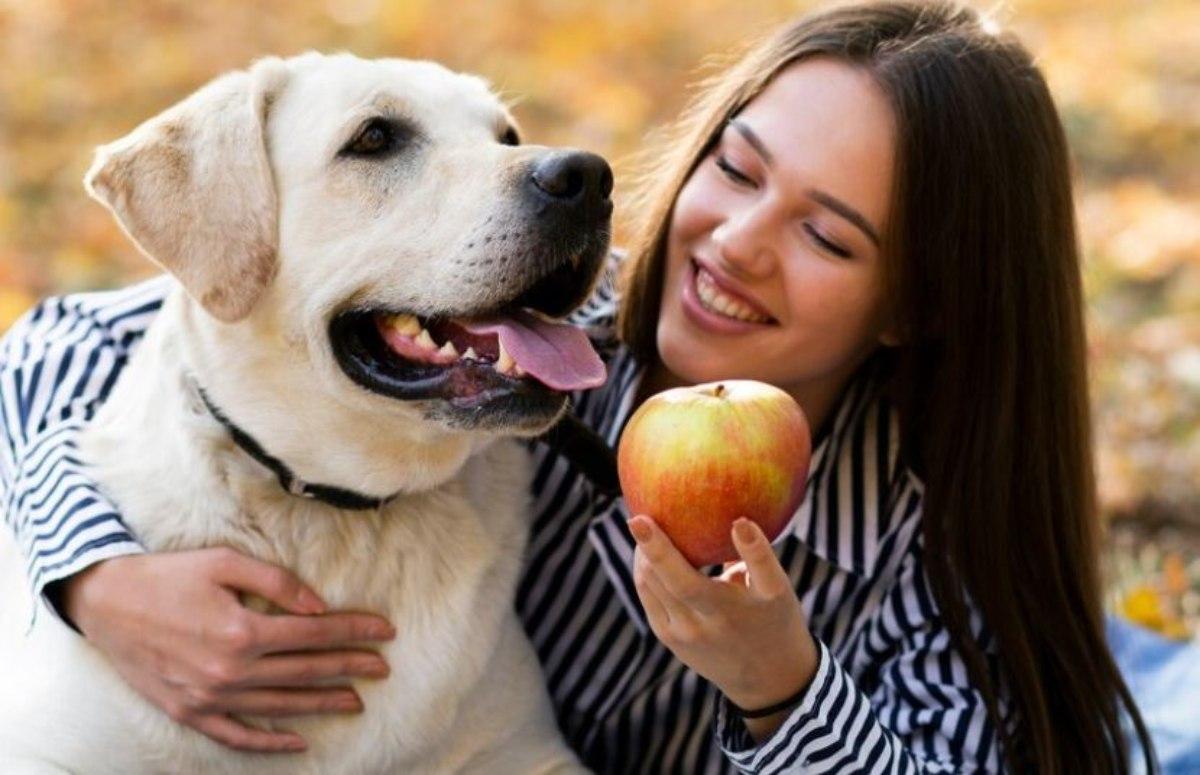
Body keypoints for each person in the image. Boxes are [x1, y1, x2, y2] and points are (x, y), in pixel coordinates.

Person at [0, 1, 1156, 772]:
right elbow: (57, 346)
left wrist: (781, 685)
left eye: (830, 237)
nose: (736, 245)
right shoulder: (563, 339)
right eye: (737, 168)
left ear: (918, 305)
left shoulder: (928, 546)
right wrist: (90, 569)